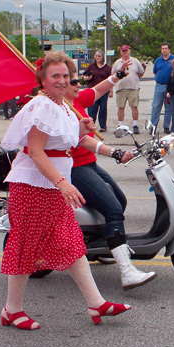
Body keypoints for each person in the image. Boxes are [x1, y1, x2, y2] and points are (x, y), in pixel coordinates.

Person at [0, 52, 131, 330]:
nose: (61, 81)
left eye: (65, 76)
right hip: (32, 186)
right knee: (26, 248)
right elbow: (35, 151)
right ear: (43, 80)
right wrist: (63, 182)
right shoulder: (43, 106)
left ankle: (96, 303)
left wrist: (93, 137)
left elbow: (78, 140)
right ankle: (11, 310)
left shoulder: (61, 105)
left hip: (50, 186)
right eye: (55, 76)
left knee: (72, 244)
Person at [66, 70, 157, 291]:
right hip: (74, 168)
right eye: (73, 81)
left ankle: (104, 246)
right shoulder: (63, 110)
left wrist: (116, 77)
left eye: (78, 80)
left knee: (120, 201)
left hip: (88, 164)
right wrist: (115, 153)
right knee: (113, 209)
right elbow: (83, 141)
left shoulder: (75, 100)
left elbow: (97, 90)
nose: (79, 84)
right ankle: (127, 272)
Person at [111, 45, 144, 135]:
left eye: (126, 50)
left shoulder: (135, 61)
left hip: (133, 88)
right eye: (123, 51)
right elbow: (113, 74)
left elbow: (141, 73)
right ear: (121, 52)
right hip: (121, 88)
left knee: (134, 106)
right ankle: (120, 125)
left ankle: (135, 125)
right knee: (121, 107)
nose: (125, 52)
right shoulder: (117, 62)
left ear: (129, 51)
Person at [82, 50, 112, 132]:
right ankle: (92, 125)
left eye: (99, 56)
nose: (97, 58)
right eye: (96, 56)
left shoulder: (107, 68)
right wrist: (86, 78)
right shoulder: (92, 66)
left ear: (102, 57)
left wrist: (111, 90)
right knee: (92, 109)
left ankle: (103, 126)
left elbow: (111, 79)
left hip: (104, 91)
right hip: (93, 90)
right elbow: (84, 76)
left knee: (103, 109)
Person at [151, 43, 174, 133]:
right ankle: (153, 126)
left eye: (165, 48)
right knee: (156, 106)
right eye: (162, 49)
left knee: (168, 107)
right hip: (159, 86)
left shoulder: (173, 59)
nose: (164, 50)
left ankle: (166, 126)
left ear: (169, 49)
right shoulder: (158, 60)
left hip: (170, 86)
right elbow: (155, 72)